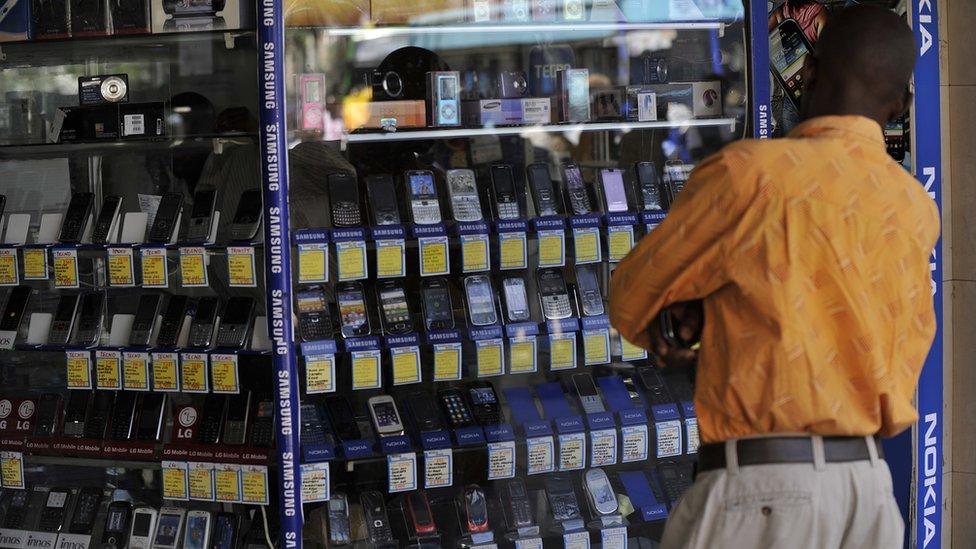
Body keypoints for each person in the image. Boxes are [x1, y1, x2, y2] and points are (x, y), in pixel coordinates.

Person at [609, 6, 938, 549]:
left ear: (808, 75)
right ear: (901, 105)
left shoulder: (751, 176)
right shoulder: (914, 209)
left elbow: (631, 299)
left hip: (764, 495)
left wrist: (692, 326)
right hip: (870, 496)